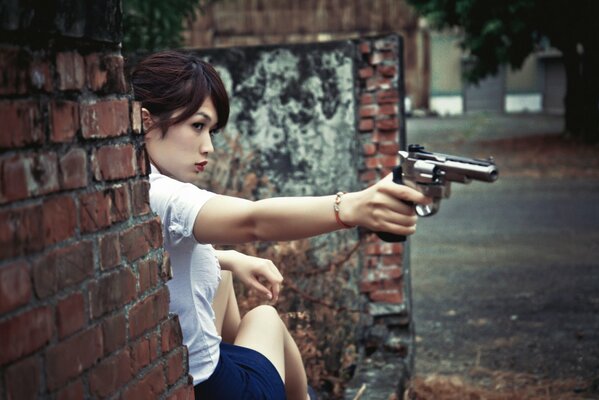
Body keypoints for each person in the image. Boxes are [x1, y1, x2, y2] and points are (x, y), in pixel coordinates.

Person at [131, 50, 430, 400]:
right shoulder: (164, 193)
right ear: (146, 121)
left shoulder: (126, 188)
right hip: (218, 390)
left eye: (211, 130)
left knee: (223, 276)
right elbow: (254, 221)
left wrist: (231, 259)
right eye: (197, 126)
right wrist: (349, 207)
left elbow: (171, 250)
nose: (208, 146)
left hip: (180, 376)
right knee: (265, 318)